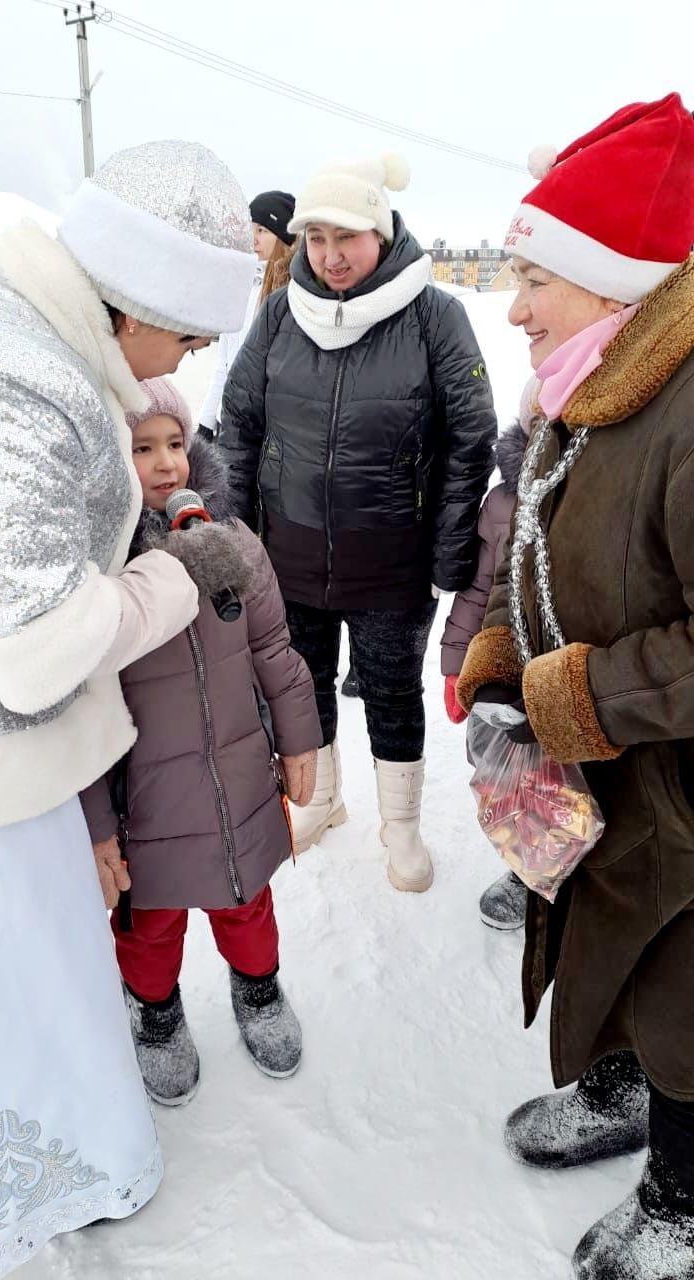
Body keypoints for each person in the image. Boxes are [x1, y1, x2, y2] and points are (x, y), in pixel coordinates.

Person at [0, 140, 255, 1276]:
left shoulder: (27, 329)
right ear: (141, 299)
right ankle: (45, 1167)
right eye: (190, 334)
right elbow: (31, 650)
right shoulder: (29, 380)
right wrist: (173, 581)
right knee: (25, 977)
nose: (186, 361)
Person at [456, 93, 694, 1277]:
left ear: (612, 279)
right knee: (603, 944)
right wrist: (501, 664)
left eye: (533, 277)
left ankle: (682, 1194)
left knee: (686, 991)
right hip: (603, 777)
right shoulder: (584, 384)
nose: (514, 307)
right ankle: (620, 1082)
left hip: (681, 797)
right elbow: (531, 553)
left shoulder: (687, 410)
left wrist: (568, 694)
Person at [218, 153, 496, 894]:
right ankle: (321, 801)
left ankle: (400, 827)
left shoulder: (435, 316)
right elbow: (240, 425)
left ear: (381, 232)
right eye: (315, 240)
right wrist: (239, 540)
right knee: (303, 684)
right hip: (290, 553)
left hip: (391, 563)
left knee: (391, 691)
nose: (332, 257)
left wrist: (447, 548)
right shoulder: (279, 315)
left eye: (348, 237)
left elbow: (472, 434)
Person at [80, 377, 321, 1102]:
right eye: (142, 448)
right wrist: (95, 825)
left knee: (245, 899)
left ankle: (259, 989)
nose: (165, 464)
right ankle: (155, 1013)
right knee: (149, 920)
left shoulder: (233, 542)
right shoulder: (100, 574)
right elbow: (81, 706)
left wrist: (300, 739)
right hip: (146, 800)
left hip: (240, 778)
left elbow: (273, 646)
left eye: (175, 444)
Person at [441, 376, 539, 930]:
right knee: (507, 775)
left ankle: (574, 872)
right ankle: (527, 869)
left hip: (571, 669)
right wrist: (457, 663)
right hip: (502, 668)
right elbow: (478, 590)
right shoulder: (502, 502)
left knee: (573, 778)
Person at [199, 190, 296, 438]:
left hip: (265, 430)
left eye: (262, 230)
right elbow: (224, 363)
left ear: (283, 236)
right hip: (228, 423)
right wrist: (206, 423)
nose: (253, 239)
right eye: (250, 229)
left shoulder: (293, 295)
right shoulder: (242, 286)